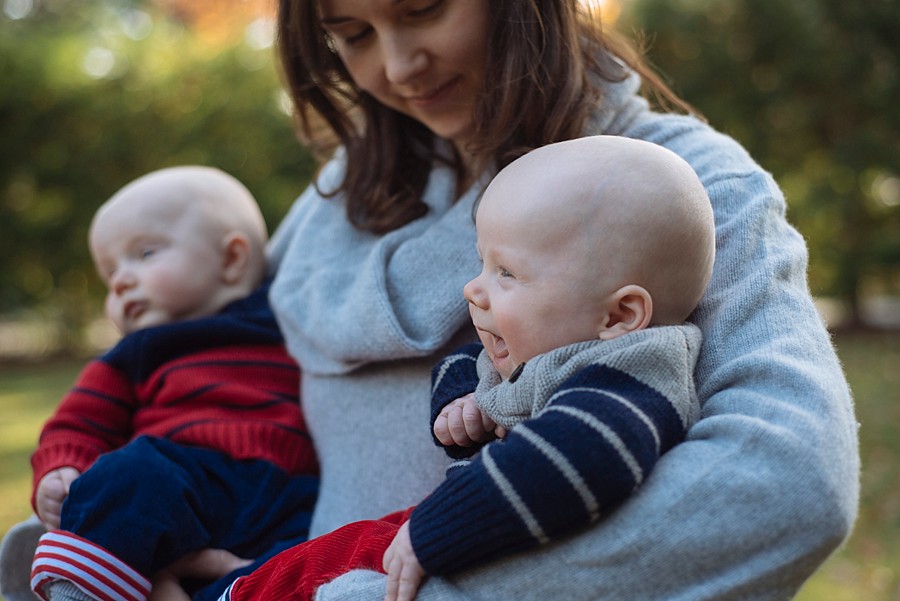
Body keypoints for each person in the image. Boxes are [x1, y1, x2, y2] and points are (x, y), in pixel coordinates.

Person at [258, 1, 859, 599]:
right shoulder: (338, 201)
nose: (399, 66)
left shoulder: (674, 189)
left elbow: (787, 486)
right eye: (354, 35)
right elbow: (231, 380)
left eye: (424, 9)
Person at [216, 134, 716, 601]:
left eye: (506, 272)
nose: (472, 290)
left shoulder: (632, 382)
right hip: (463, 523)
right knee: (321, 556)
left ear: (619, 316)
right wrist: (464, 403)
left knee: (329, 566)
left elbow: (576, 458)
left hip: (491, 540)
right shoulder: (564, 356)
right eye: (482, 264)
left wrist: (436, 531)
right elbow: (467, 367)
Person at [27, 166, 319, 601]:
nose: (121, 280)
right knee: (127, 474)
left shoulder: (290, 319)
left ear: (232, 258)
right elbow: (79, 420)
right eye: (110, 274)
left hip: (286, 496)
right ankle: (83, 585)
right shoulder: (138, 352)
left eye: (143, 254)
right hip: (175, 482)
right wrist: (61, 467)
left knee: (312, 561)